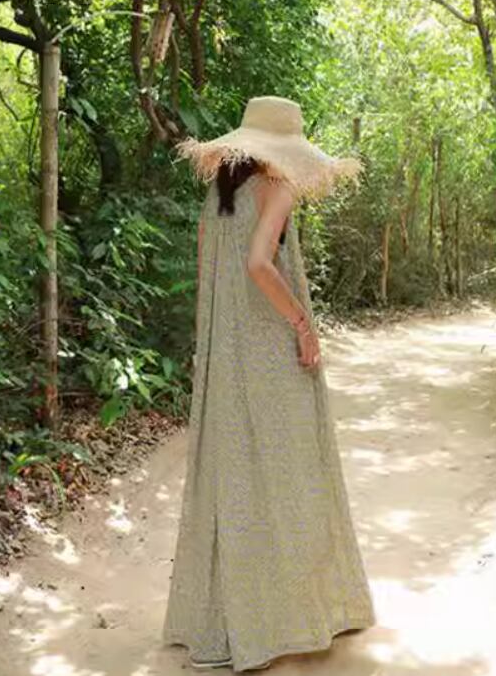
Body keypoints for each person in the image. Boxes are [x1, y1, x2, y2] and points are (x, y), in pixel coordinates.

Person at [161, 96, 376, 672]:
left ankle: (232, 620)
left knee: (235, 477)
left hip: (226, 350)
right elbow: (260, 264)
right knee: (291, 470)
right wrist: (302, 324)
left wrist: (210, 345)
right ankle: (290, 614)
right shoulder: (276, 188)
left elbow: (208, 270)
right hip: (269, 348)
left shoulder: (219, 194)